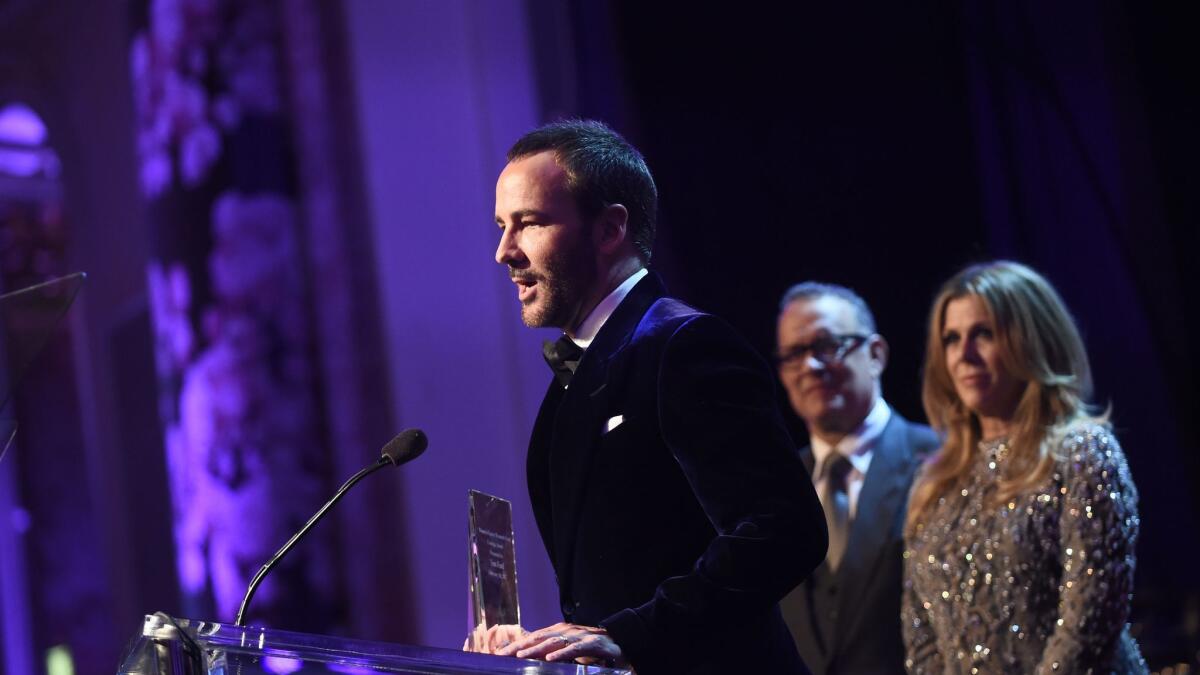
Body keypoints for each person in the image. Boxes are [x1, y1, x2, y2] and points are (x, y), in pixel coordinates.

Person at [484, 119, 827, 674]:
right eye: (502, 226)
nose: (504, 251)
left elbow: (784, 529)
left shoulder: (685, 346)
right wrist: (542, 643)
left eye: (529, 223)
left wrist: (633, 634)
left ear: (609, 229)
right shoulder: (583, 365)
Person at [902, 261, 1147, 674]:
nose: (964, 355)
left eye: (984, 334)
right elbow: (922, 638)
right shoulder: (934, 482)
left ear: (1032, 339)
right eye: (951, 338)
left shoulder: (1082, 453)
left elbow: (1089, 620)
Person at [774, 282, 939, 674]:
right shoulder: (773, 486)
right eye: (794, 354)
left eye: (827, 345)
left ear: (876, 354)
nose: (811, 366)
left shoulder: (941, 460)